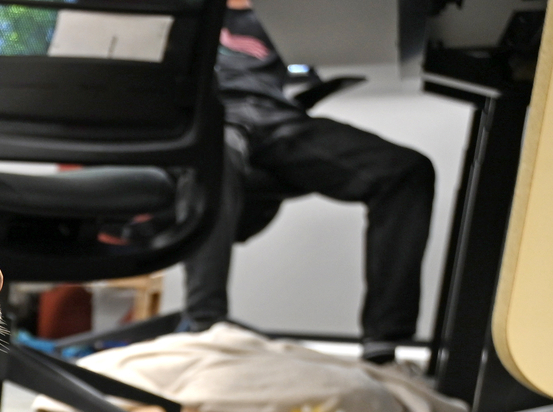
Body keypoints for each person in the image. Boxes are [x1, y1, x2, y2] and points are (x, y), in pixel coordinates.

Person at [183, 0, 436, 364]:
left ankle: (384, 342)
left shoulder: (285, 16)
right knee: (213, 157)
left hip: (277, 120)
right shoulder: (185, 9)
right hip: (205, 119)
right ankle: (204, 328)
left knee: (406, 171)